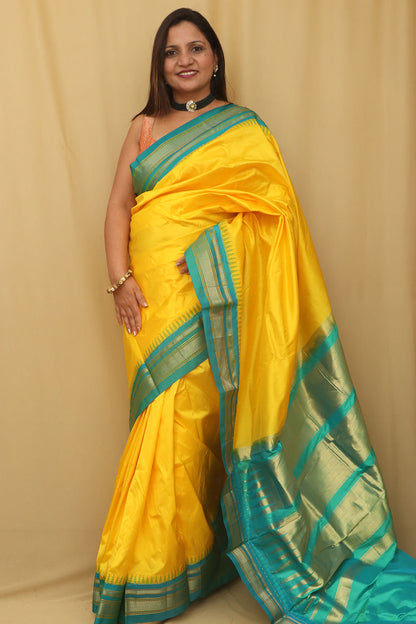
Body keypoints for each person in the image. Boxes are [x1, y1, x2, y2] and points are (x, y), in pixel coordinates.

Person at [92, 8, 416, 624]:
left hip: (213, 291)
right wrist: (119, 281)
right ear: (160, 65)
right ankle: (165, 570)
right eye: (171, 52)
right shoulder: (143, 126)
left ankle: (179, 565)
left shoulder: (244, 128)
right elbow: (118, 206)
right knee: (163, 418)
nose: (184, 61)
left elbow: (277, 217)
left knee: (199, 415)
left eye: (196, 48)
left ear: (216, 58)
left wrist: (216, 253)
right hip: (152, 296)